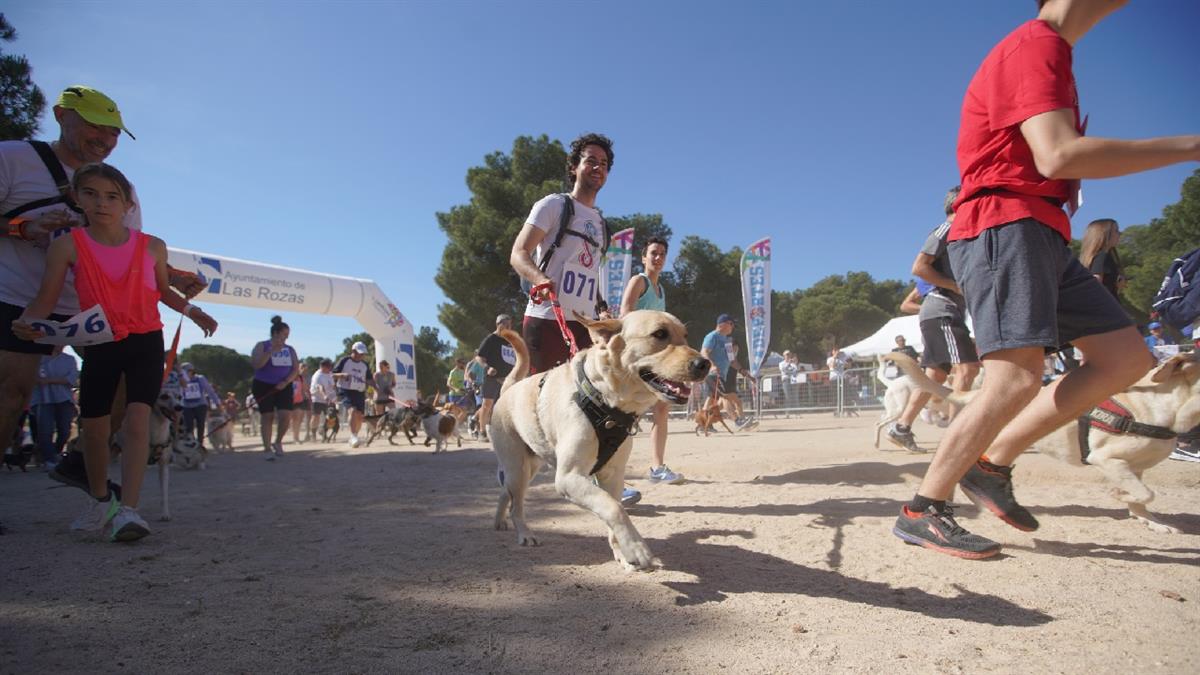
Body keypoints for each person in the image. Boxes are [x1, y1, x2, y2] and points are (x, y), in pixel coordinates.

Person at [894, 0, 1198, 559]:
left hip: (1043, 231)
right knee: (1013, 379)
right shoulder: (1035, 44)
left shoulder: (1052, 51)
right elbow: (1059, 155)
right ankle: (923, 509)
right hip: (1004, 223)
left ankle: (991, 464)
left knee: (1126, 360)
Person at [1, 86, 204, 495]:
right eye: (95, 126)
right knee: (11, 393)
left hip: (95, 308)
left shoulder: (121, 188)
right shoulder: (13, 158)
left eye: (113, 133)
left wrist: (175, 274)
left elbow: (130, 250)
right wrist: (20, 228)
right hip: (19, 295)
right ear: (61, 115)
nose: (104, 139)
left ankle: (79, 460)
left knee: (128, 393)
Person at [13, 162, 218, 542]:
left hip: (145, 339)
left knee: (138, 419)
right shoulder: (67, 246)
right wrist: (27, 321)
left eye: (112, 197)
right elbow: (46, 300)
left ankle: (129, 511)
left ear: (127, 205)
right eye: (91, 194)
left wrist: (192, 310)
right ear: (77, 198)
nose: (102, 203)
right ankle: (99, 499)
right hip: (99, 342)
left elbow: (162, 291)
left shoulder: (151, 245)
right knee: (94, 428)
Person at [510, 133, 614, 373]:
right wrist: (540, 280)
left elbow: (587, 272)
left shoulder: (601, 224)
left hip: (584, 327)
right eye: (591, 160)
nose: (598, 167)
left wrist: (601, 307)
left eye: (604, 164)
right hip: (546, 321)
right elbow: (518, 252)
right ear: (574, 167)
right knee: (540, 403)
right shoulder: (553, 205)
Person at [888, 186, 981, 452]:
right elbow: (918, 267)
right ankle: (956, 436)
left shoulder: (962, 236)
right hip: (942, 309)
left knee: (935, 375)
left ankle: (901, 427)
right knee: (967, 368)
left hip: (941, 310)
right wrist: (953, 286)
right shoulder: (946, 229)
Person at [620, 236, 682, 486]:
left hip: (656, 359)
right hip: (635, 358)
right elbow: (624, 313)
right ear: (643, 257)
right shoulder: (639, 281)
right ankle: (613, 474)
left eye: (662, 254)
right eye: (654, 253)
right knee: (625, 414)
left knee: (662, 408)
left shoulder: (661, 289)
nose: (658, 258)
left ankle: (657, 467)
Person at [250, 315, 299, 460]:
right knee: (268, 416)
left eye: (287, 335)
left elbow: (295, 369)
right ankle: (266, 448)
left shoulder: (289, 349)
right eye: (284, 335)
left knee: (285, 415)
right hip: (263, 385)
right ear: (276, 333)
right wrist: (270, 351)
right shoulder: (262, 345)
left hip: (284, 385)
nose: (286, 338)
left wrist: (286, 381)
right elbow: (256, 364)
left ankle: (278, 442)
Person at [701, 314, 755, 429]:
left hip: (722, 375)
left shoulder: (728, 341)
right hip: (712, 374)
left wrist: (742, 371)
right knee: (726, 396)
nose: (733, 327)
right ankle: (737, 421)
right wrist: (712, 365)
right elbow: (704, 353)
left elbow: (732, 360)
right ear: (722, 324)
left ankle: (704, 423)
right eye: (731, 324)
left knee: (711, 401)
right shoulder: (712, 336)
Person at [30, 346, 78, 469]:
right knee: (45, 431)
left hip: (64, 399)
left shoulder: (69, 359)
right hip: (42, 399)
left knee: (64, 431)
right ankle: (50, 460)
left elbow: (71, 379)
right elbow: (31, 377)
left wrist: (49, 380)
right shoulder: (38, 358)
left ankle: (55, 452)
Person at [476, 314, 516, 441]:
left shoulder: (510, 340)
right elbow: (479, 358)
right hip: (492, 378)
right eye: (506, 325)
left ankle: (505, 433)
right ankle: (482, 432)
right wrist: (487, 368)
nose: (509, 327)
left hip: (507, 379)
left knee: (506, 407)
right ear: (499, 324)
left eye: (510, 325)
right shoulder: (491, 339)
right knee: (487, 404)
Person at [333, 341, 372, 447]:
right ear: (353, 351)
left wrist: (376, 388)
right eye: (360, 353)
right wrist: (342, 375)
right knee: (353, 411)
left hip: (359, 391)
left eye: (363, 353)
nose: (362, 355)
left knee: (359, 416)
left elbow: (369, 379)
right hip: (345, 390)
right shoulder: (344, 361)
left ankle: (354, 436)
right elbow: (332, 374)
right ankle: (353, 436)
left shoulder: (364, 365)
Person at [1078, 218, 1125, 299]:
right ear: (1104, 234)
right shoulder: (1102, 256)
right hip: (1105, 306)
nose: (1120, 233)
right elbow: (1096, 284)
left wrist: (1116, 285)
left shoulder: (1100, 256)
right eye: (1116, 231)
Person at [180, 362, 220, 449]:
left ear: (192, 371)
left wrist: (217, 402)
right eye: (184, 372)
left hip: (200, 405)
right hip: (187, 405)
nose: (186, 374)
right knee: (188, 426)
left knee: (200, 425)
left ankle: (200, 444)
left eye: (187, 371)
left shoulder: (200, 378)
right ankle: (190, 443)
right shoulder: (181, 380)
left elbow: (210, 391)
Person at [309, 359, 336, 439]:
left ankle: (324, 432)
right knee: (316, 416)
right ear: (323, 367)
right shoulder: (317, 376)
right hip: (317, 398)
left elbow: (332, 386)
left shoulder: (329, 374)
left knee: (329, 417)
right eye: (328, 367)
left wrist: (334, 396)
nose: (330, 368)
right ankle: (313, 433)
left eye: (330, 367)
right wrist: (324, 396)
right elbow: (320, 387)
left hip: (328, 399)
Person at [291, 362, 312, 442]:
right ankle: (293, 436)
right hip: (289, 400)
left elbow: (306, 388)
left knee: (297, 419)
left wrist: (307, 396)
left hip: (300, 400)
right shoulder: (289, 377)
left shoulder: (302, 378)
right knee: (291, 419)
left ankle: (296, 437)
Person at [779, 351, 801, 416]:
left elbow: (795, 370)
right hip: (785, 380)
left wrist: (793, 363)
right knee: (787, 397)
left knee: (795, 396)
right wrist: (788, 363)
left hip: (793, 380)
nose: (788, 356)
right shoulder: (781, 363)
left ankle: (797, 413)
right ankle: (787, 412)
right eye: (787, 355)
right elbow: (783, 370)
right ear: (784, 356)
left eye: (789, 354)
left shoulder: (793, 363)